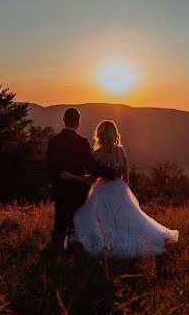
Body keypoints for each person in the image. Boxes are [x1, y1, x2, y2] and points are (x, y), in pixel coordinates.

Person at [61, 120, 178, 258]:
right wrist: (125, 193)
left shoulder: (97, 154)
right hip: (120, 189)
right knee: (127, 221)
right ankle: (144, 241)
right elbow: (126, 174)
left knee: (98, 220)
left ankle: (108, 244)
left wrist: (71, 176)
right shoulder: (120, 150)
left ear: (99, 134)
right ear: (114, 134)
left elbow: (90, 179)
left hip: (102, 192)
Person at [45, 107, 116, 251]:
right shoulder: (82, 142)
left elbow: (48, 167)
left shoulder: (52, 141)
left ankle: (54, 253)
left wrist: (53, 185)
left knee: (59, 223)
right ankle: (73, 254)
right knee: (75, 225)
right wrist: (111, 173)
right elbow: (92, 167)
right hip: (77, 192)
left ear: (64, 120)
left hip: (59, 191)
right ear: (78, 122)